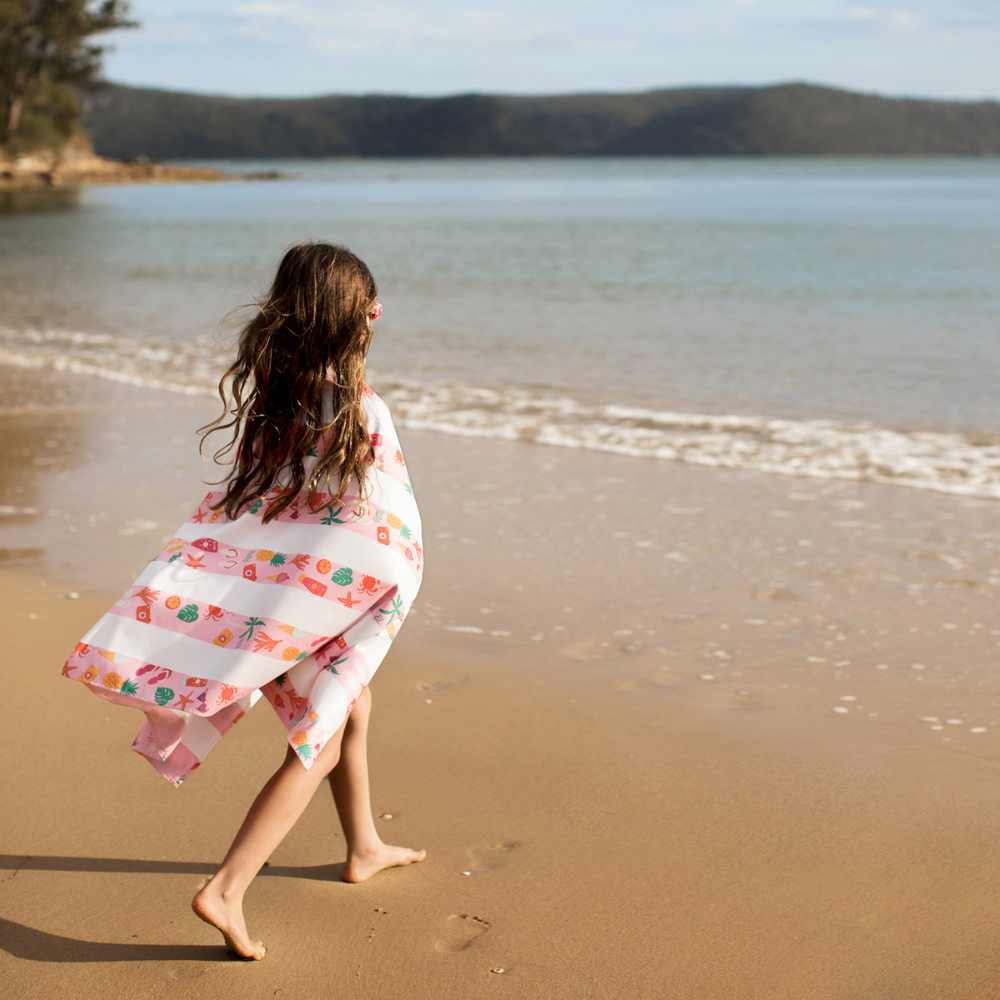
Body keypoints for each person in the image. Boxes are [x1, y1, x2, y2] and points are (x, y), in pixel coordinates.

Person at [62, 242, 426, 960]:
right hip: (342, 596)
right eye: (373, 311)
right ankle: (226, 889)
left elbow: (264, 508)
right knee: (316, 740)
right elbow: (375, 522)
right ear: (359, 321)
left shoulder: (277, 398)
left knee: (353, 705)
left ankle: (364, 845)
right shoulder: (360, 408)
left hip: (297, 591)